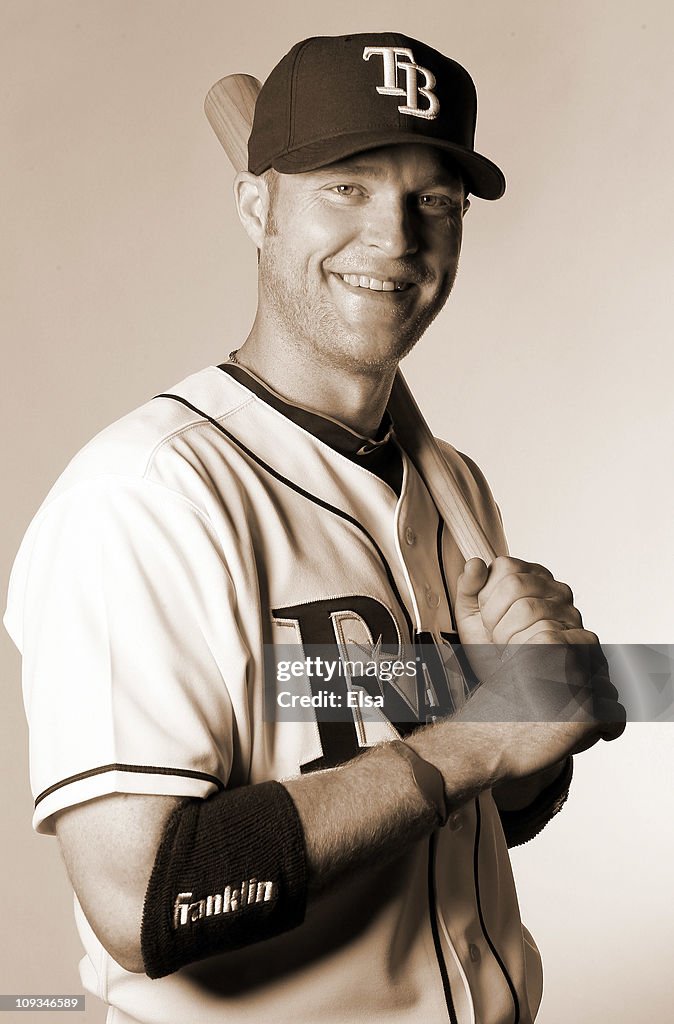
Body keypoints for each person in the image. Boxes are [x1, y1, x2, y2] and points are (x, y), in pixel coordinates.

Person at [4, 32, 624, 1024]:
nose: (393, 239)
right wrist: (472, 741)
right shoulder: (143, 497)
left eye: (432, 198)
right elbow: (143, 900)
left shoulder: (451, 484)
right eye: (345, 186)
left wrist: (536, 723)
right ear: (257, 207)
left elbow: (486, 813)